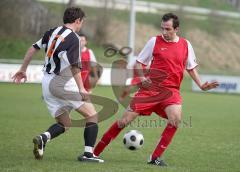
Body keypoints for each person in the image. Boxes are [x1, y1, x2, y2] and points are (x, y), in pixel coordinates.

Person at [93, 13, 219, 166]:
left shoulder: (186, 45)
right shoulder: (154, 41)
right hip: (150, 89)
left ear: (177, 29)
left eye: (168, 29)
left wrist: (201, 85)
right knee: (124, 121)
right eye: (162, 28)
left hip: (171, 91)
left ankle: (154, 157)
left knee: (175, 120)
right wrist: (141, 77)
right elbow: (139, 63)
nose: (164, 32)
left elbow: (191, 67)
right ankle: (94, 152)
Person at [12, 7, 103, 163]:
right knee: (92, 115)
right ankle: (88, 155)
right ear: (77, 21)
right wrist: (81, 88)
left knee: (65, 123)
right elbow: (75, 66)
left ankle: (43, 138)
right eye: (82, 22)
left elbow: (33, 48)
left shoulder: (52, 31)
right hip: (63, 83)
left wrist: (23, 69)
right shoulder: (74, 38)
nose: (81, 25)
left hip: (47, 83)